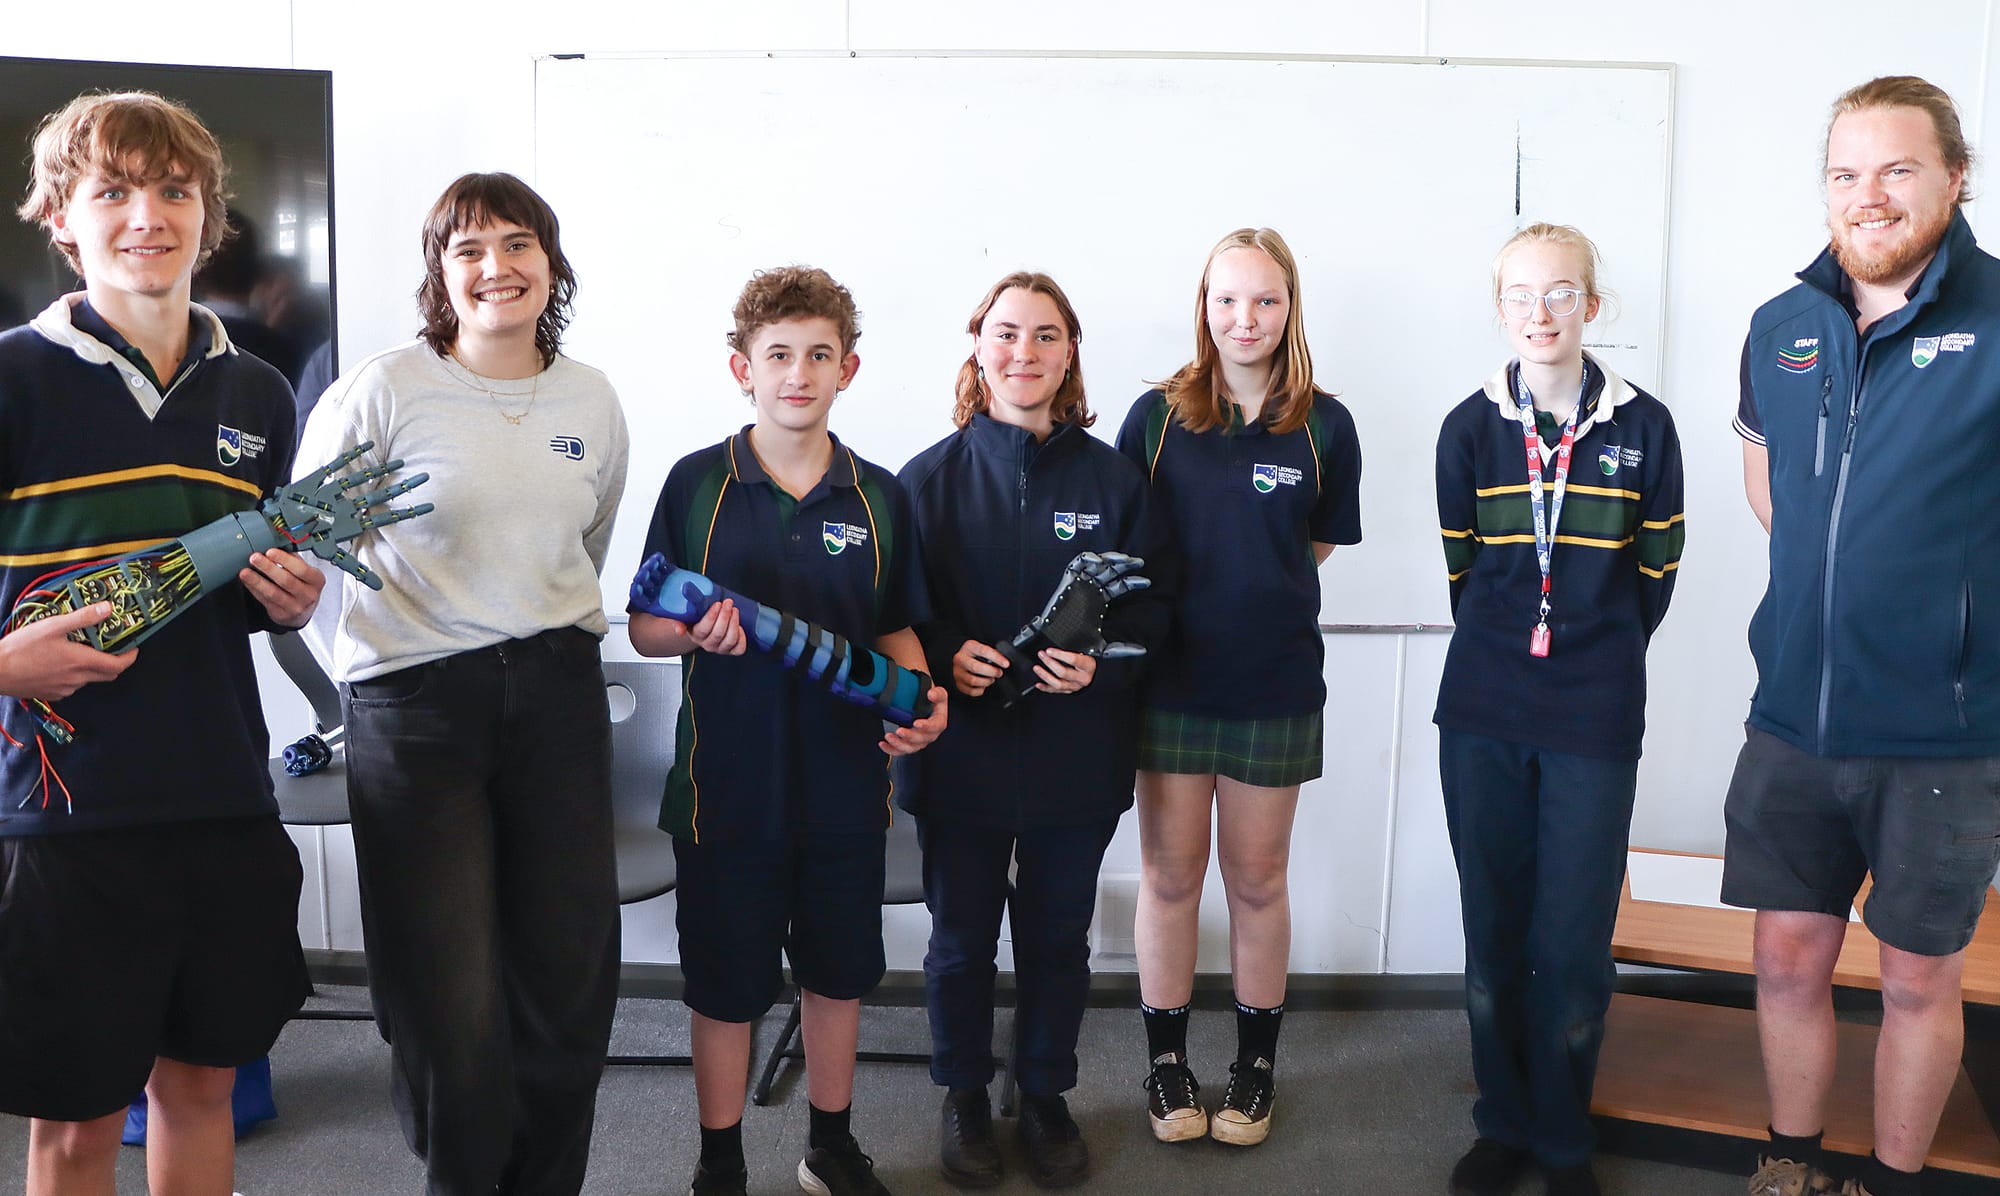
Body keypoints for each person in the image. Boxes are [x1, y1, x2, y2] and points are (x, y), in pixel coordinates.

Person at [0, 89, 321, 1195]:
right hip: (67, 812)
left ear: (208, 213)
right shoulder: (11, 378)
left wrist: (288, 599)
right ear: (60, 216)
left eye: (174, 190)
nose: (149, 215)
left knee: (197, 1091)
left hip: (223, 796)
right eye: (114, 191)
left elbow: (250, 594)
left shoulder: (258, 391)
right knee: (80, 1125)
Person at [296, 171, 630, 1196]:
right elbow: (306, 553)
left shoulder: (589, 396)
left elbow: (586, 538)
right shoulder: (386, 387)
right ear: (441, 273)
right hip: (418, 706)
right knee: (450, 993)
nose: (497, 267)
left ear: (550, 260)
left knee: (570, 979)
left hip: (557, 694)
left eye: (517, 243)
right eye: (469, 249)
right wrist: (375, 661)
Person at [1727, 76, 2000, 1196]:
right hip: (1791, 712)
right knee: (1785, 955)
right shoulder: (1780, 324)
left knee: (1913, 981)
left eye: (1894, 169)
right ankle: (1792, 1162)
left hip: (1937, 730)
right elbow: (1767, 479)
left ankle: (1887, 1180)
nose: (1867, 195)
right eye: (1845, 173)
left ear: (1953, 176)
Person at [629, 265, 947, 1196]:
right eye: (777, 356)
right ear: (742, 368)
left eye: (818, 355)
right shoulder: (697, 484)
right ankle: (719, 1161)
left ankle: (831, 1147)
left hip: (847, 785)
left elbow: (895, 627)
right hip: (724, 789)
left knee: (838, 975)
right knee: (726, 986)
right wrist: (692, 631)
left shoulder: (881, 496)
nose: (796, 374)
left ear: (848, 368)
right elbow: (646, 624)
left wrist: (922, 701)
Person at [898, 272, 1170, 1189]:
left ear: (1069, 355)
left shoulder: (1115, 479)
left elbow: (1155, 611)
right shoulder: (923, 482)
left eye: (1046, 336)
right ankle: (966, 1094)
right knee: (962, 938)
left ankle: (1046, 1093)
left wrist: (1102, 662)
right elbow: (893, 612)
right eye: (1007, 334)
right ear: (978, 347)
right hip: (960, 752)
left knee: (1059, 937)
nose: (1025, 353)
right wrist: (942, 654)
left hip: (1076, 748)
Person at [1433, 224, 1685, 1196]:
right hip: (1483, 709)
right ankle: (1501, 1123)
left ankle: (1562, 1135)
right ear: (1498, 307)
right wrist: (1520, 644)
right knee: (1492, 934)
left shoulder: (1643, 425)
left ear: (1592, 303)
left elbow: (1653, 571)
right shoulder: (1468, 427)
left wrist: (1591, 647)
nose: (1540, 312)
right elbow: (1467, 570)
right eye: (1521, 294)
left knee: (1571, 946)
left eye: (1562, 292)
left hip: (1592, 710)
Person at [1115, 227, 1362, 1148]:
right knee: (1170, 878)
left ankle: (1254, 1071)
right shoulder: (1154, 418)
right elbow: (1124, 546)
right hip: (1170, 684)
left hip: (1274, 687)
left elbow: (1316, 544)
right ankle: (1167, 1066)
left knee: (1257, 882)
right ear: (1203, 306)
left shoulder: (1327, 426)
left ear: (1291, 307)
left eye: (1264, 300)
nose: (1244, 318)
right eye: (1227, 299)